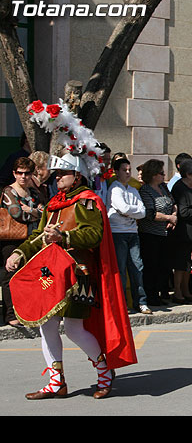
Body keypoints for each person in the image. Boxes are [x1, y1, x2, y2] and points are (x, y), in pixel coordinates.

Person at [6, 152, 136, 400]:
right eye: (56, 174)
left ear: (77, 176)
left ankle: (104, 372)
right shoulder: (54, 202)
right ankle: (56, 382)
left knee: (75, 328)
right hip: (53, 273)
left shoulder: (87, 201)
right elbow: (41, 237)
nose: (58, 178)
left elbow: (93, 234)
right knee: (47, 325)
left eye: (62, 174)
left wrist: (64, 237)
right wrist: (20, 253)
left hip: (78, 273)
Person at [1, 157, 43, 327]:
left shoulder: (33, 193)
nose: (23, 177)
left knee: (30, 276)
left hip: (30, 239)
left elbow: (44, 212)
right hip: (11, 240)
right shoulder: (9, 192)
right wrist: (34, 212)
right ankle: (10, 315)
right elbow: (18, 213)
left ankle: (27, 312)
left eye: (27, 173)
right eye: (19, 173)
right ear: (14, 173)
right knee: (10, 275)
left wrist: (31, 210)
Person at [107, 158, 150, 315]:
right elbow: (122, 207)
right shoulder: (115, 189)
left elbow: (142, 211)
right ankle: (122, 303)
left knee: (137, 267)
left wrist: (127, 212)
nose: (127, 173)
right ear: (117, 172)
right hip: (118, 232)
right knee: (121, 267)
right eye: (124, 170)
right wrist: (130, 211)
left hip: (132, 232)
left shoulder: (133, 190)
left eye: (128, 170)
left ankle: (141, 302)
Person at [138, 159, 177, 306]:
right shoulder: (146, 190)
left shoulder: (164, 187)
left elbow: (173, 203)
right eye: (161, 173)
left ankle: (161, 293)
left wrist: (174, 216)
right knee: (151, 266)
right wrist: (168, 217)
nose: (163, 175)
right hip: (150, 234)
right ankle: (151, 295)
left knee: (163, 266)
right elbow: (149, 213)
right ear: (153, 175)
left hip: (165, 233)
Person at [170, 158, 192, 304]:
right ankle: (178, 291)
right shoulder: (179, 188)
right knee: (180, 264)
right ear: (188, 174)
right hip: (182, 231)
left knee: (189, 263)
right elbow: (183, 211)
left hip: (191, 231)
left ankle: (186, 290)